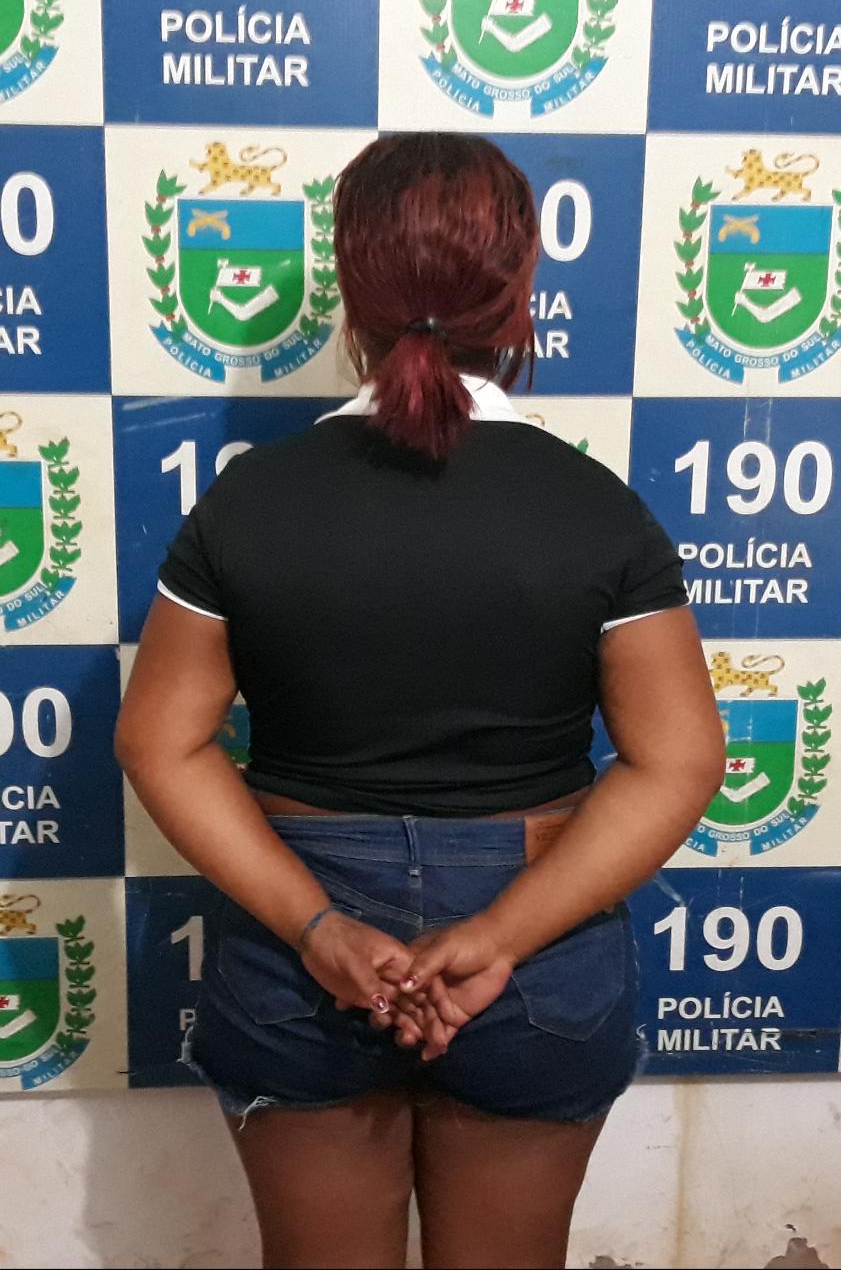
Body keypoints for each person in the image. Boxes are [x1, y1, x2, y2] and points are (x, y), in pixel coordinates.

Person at [116, 132, 725, 1270]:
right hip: (535, 942)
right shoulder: (598, 510)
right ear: (520, 293)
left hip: (302, 944)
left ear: (352, 298)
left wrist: (317, 927)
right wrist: (495, 937)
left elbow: (159, 742)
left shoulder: (247, 504)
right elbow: (679, 761)